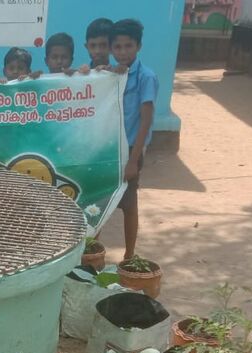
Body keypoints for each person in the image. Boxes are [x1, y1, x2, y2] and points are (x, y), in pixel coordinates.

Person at [110, 18, 158, 259]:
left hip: (130, 148)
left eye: (128, 46)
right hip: (109, 148)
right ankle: (93, 251)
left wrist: (133, 159)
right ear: (111, 49)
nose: (123, 52)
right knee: (104, 200)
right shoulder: (110, 75)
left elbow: (145, 121)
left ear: (138, 46)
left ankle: (129, 255)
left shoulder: (145, 77)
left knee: (129, 204)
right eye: (117, 47)